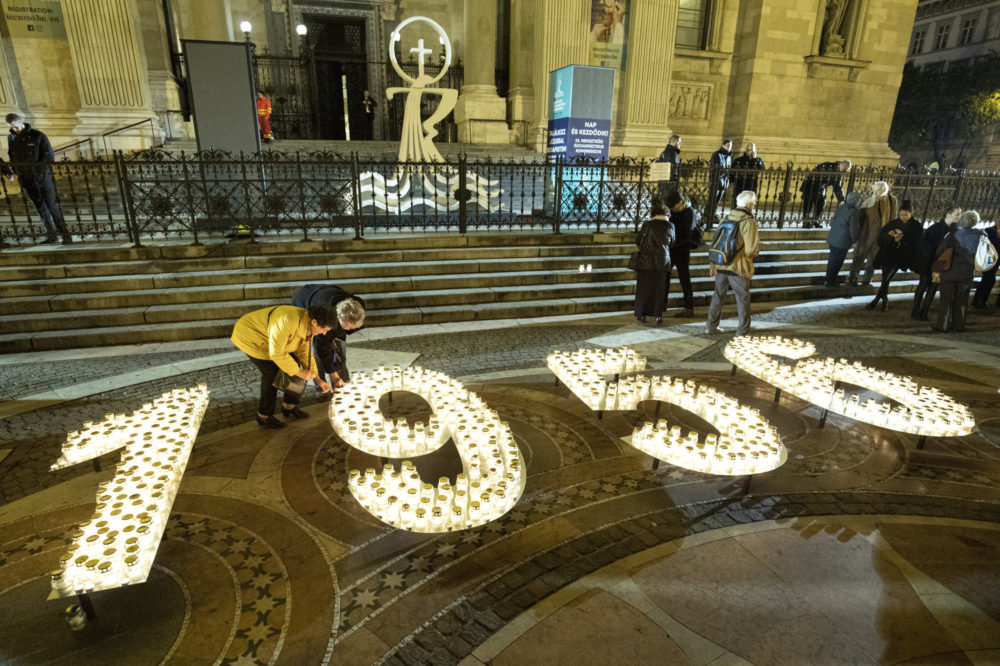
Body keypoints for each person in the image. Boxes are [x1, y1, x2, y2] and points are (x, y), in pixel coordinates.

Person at [231, 305, 335, 429]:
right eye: (324, 329)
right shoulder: (288, 321)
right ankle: (264, 416)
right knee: (272, 374)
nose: (324, 333)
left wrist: (316, 378)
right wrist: (299, 372)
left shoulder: (308, 326)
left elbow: (304, 353)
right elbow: (277, 353)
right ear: (314, 322)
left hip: (276, 341)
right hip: (251, 337)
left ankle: (289, 406)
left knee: (295, 365)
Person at [4, 113, 71, 245]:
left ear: (21, 122)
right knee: (40, 208)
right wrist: (16, 171)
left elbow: (48, 157)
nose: (15, 130)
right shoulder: (11, 137)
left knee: (52, 206)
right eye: (12, 128)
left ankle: (65, 235)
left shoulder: (38, 135)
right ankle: (51, 236)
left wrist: (38, 171)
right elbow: (12, 156)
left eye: (16, 127)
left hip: (43, 178)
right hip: (26, 179)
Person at [291, 284, 366, 400]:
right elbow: (322, 347)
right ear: (338, 320)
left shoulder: (357, 308)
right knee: (317, 355)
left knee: (339, 347)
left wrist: (340, 335)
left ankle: (341, 382)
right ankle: (321, 387)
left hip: (327, 294)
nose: (349, 330)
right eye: (346, 327)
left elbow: (346, 329)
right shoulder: (324, 315)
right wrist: (333, 374)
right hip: (305, 300)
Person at [706, 190, 760, 335]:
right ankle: (742, 331)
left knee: (718, 296)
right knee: (743, 299)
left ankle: (711, 327)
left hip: (721, 263)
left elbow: (715, 243)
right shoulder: (748, 221)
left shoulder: (726, 217)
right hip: (738, 267)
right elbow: (751, 250)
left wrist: (713, 264)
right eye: (754, 201)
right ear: (749, 204)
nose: (754, 204)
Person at [932, 210, 986, 332]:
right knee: (962, 301)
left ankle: (943, 325)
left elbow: (940, 250)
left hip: (950, 271)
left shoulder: (954, 234)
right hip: (967, 273)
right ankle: (958, 325)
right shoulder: (980, 235)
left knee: (945, 300)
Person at [866, 200, 920, 311]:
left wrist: (902, 240)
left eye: (905, 215)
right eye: (900, 215)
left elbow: (917, 242)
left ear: (911, 213)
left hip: (900, 256)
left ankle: (877, 301)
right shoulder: (895, 222)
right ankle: (884, 300)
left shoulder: (916, 226)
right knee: (885, 279)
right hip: (887, 254)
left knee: (886, 279)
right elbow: (882, 234)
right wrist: (889, 236)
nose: (903, 217)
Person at [912, 205, 960, 320]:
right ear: (948, 214)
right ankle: (915, 311)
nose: (959, 216)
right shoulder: (935, 228)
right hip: (928, 263)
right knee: (923, 286)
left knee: (933, 288)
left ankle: (924, 312)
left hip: (941, 264)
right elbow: (925, 247)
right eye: (957, 214)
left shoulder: (954, 230)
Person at [632, 196, 675, 325]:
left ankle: (642, 314)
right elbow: (672, 243)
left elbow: (638, 241)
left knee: (643, 288)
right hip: (662, 262)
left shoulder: (647, 225)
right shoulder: (670, 226)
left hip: (645, 261)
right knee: (659, 289)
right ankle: (658, 315)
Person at [849, 181, 898, 286]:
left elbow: (893, 218)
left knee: (873, 259)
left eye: (879, 191)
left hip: (880, 236)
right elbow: (860, 220)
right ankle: (853, 278)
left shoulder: (891, 201)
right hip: (866, 235)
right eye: (874, 190)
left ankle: (867, 279)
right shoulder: (868, 202)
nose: (876, 193)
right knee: (859, 257)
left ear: (885, 191)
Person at [664, 190, 697, 317]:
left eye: (674, 206)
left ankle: (689, 307)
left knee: (684, 278)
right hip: (672, 249)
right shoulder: (673, 212)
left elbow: (686, 232)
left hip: (682, 249)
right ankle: (662, 304)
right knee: (665, 276)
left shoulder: (689, 212)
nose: (673, 209)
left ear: (680, 202)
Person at [823, 191, 862, 287]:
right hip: (842, 241)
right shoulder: (854, 212)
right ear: (857, 201)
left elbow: (833, 221)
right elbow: (854, 229)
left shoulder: (841, 207)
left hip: (833, 237)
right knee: (837, 262)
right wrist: (855, 240)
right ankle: (830, 281)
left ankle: (828, 279)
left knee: (832, 259)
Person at [799, 159, 850, 229]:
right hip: (810, 185)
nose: (844, 168)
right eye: (844, 166)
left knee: (821, 203)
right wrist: (821, 184)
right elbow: (816, 175)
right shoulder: (828, 166)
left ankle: (814, 220)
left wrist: (841, 199)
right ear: (841, 164)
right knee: (808, 203)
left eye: (846, 168)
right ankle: (805, 222)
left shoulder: (839, 174)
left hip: (820, 189)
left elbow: (837, 187)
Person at [972, 217, 999, 310]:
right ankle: (981, 301)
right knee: (989, 279)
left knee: (987, 280)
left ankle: (978, 300)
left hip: (997, 260)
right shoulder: (989, 231)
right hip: (989, 259)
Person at [708, 139, 733, 226]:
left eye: (730, 146)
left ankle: (712, 215)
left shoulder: (729, 156)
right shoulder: (716, 154)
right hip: (716, 181)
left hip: (724, 182)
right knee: (712, 199)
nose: (729, 148)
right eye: (728, 145)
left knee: (717, 200)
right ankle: (708, 216)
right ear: (723, 145)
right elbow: (713, 168)